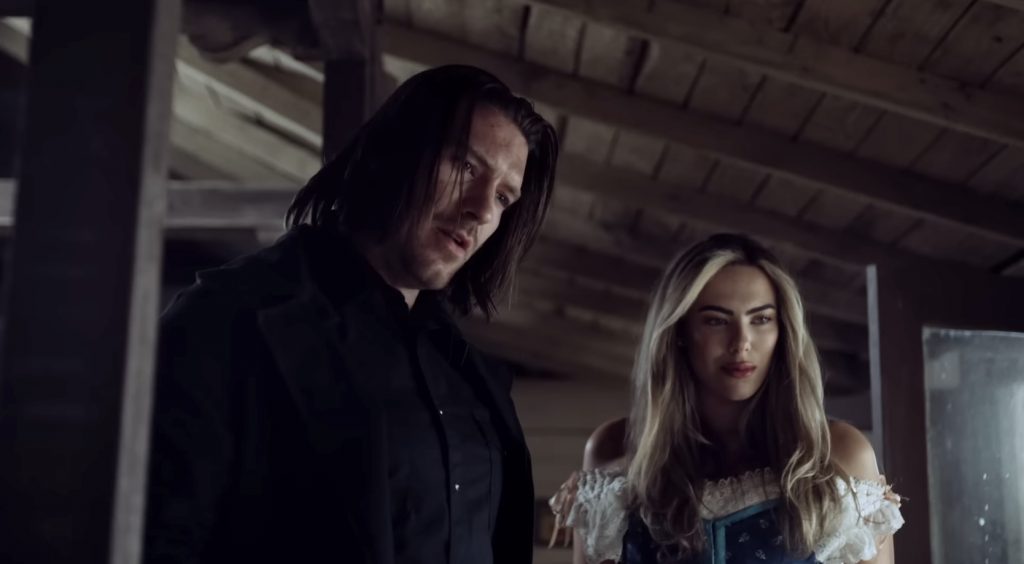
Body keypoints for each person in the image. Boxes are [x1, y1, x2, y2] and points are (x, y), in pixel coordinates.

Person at [143, 64, 558, 564]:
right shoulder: (231, 319)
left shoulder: (470, 377)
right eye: (467, 167)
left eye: (503, 196)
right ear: (399, 151)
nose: (483, 210)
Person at [549, 234, 904, 564]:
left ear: (783, 332)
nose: (741, 343)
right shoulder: (614, 449)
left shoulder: (840, 454)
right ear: (680, 331)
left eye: (761, 319)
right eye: (716, 321)